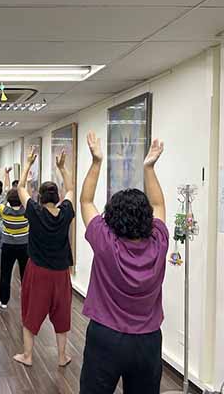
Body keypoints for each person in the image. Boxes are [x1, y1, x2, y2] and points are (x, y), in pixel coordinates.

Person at [79, 133, 168, 394]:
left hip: (106, 337)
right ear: (148, 219)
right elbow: (159, 203)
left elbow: (85, 201)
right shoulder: (159, 243)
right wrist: (149, 167)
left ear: (111, 219)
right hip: (148, 341)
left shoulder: (105, 243)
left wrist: (96, 162)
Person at [13, 147, 74, 368]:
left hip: (38, 272)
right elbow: (71, 188)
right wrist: (62, 168)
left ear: (39, 196)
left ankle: (27, 356)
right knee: (62, 314)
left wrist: (28, 163)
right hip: (60, 274)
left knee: (31, 312)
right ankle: (61, 356)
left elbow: (20, 187)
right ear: (56, 197)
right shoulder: (66, 212)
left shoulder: (34, 212)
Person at [0, 179, 28, 309]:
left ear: (9, 199)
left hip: (8, 246)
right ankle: (27, 301)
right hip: (24, 247)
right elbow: (27, 198)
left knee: (5, 274)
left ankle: (4, 301)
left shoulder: (4, 210)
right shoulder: (27, 211)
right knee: (26, 275)